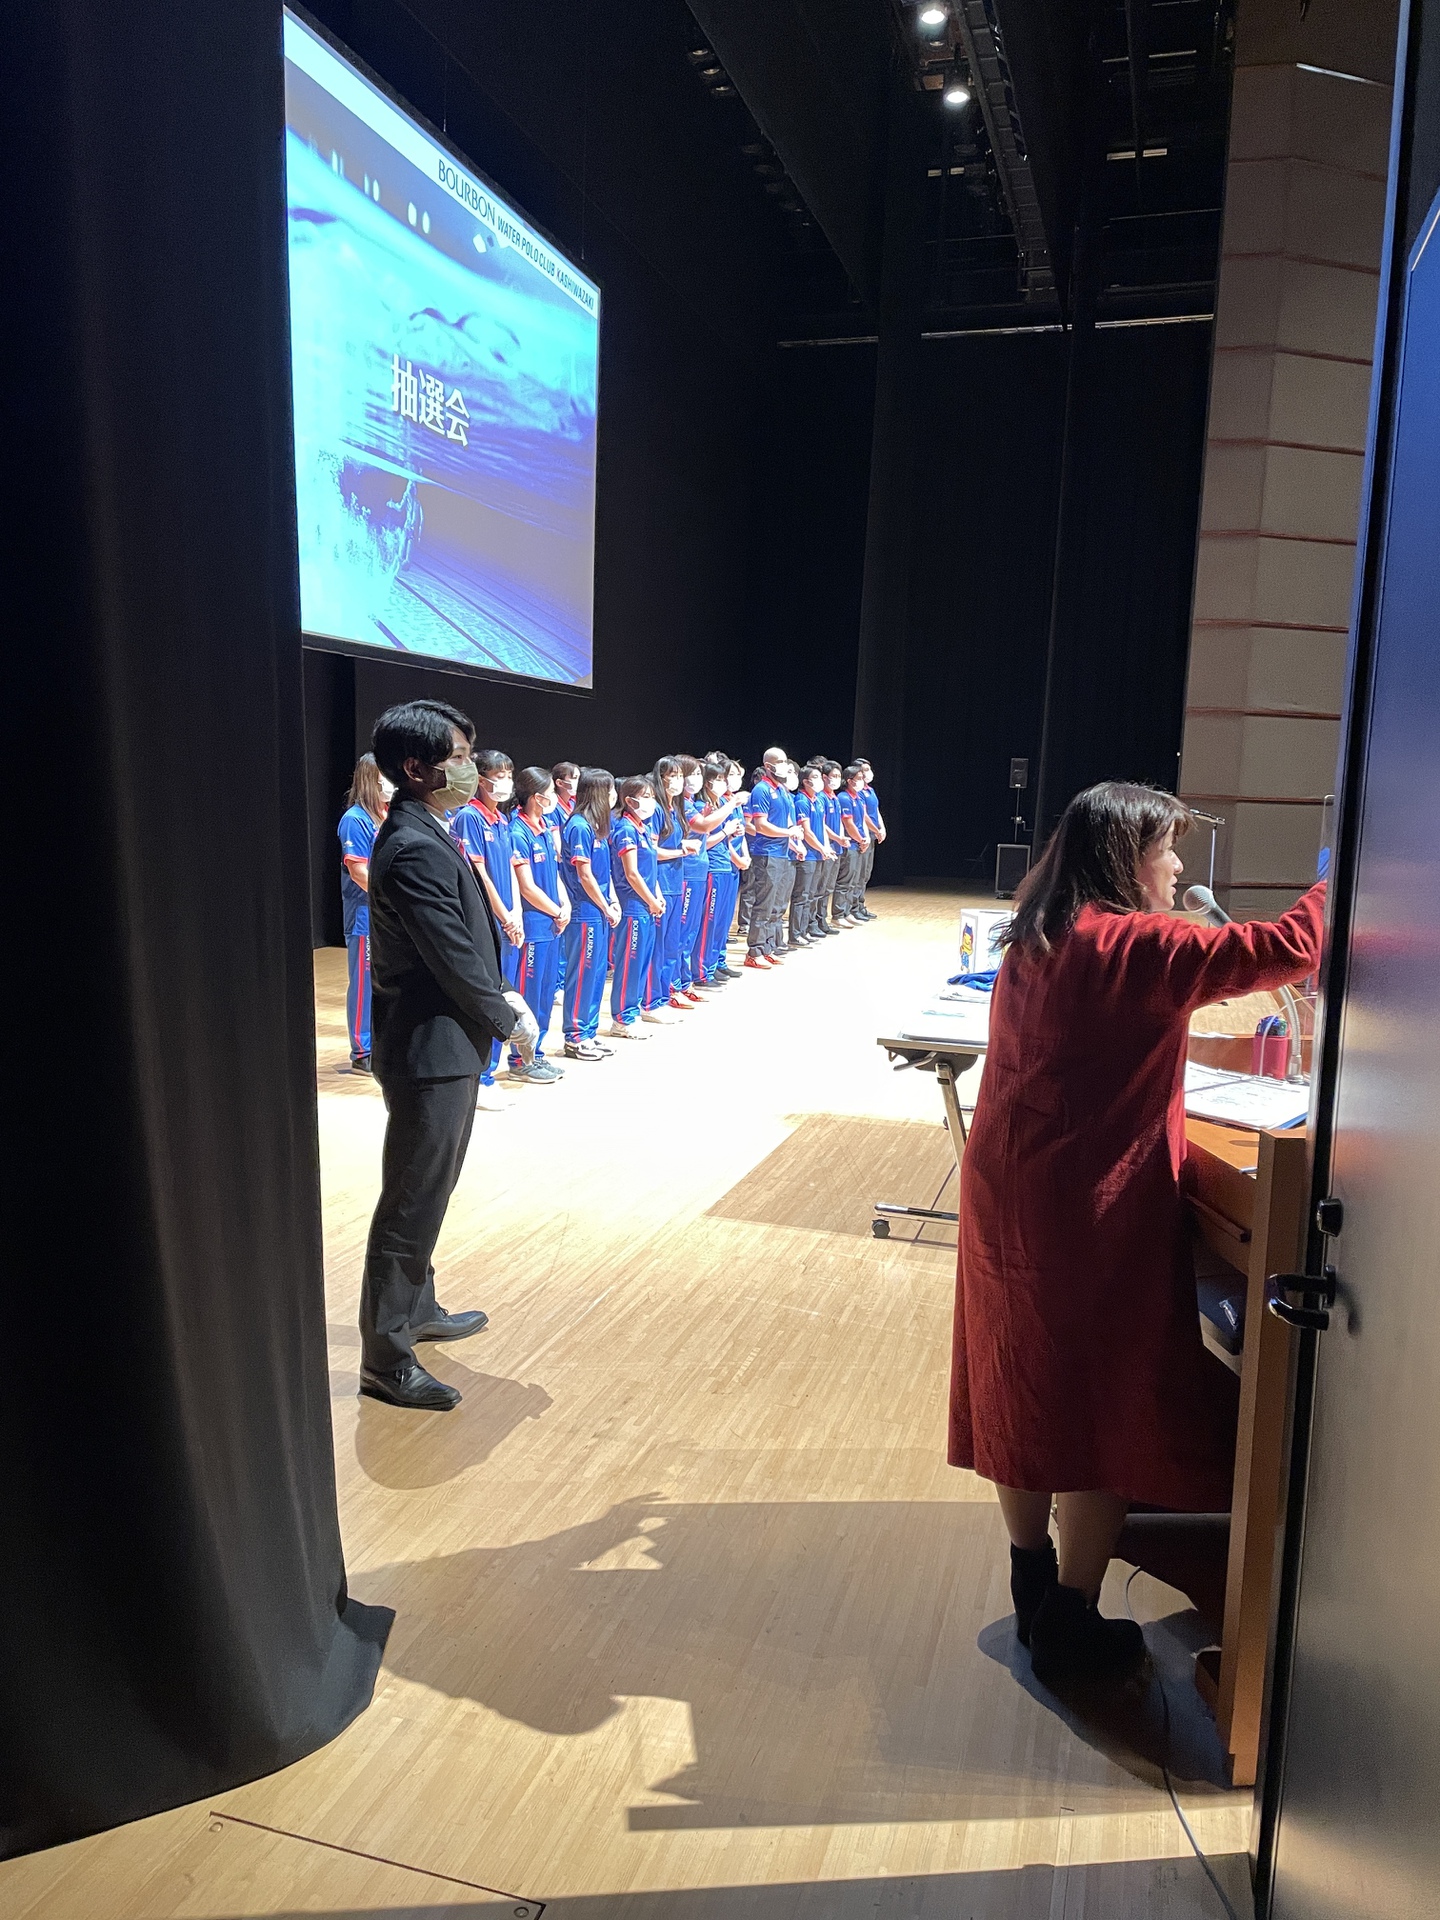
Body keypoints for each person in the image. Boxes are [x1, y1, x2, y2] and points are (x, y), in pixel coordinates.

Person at [949, 781, 1326, 1685]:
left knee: (1022, 1380)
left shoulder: (1037, 936)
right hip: (1090, 1205)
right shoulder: (1138, 947)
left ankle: (1032, 1575)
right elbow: (1288, 948)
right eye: (1168, 850)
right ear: (1128, 859)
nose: (1179, 866)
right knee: (1103, 1401)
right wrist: (1350, 867)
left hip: (1008, 1191)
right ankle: (1073, 1621)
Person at [359, 699, 540, 1412]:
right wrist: (506, 1016)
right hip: (428, 1049)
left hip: (446, 1045)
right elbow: (451, 956)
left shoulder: (428, 827)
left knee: (428, 1189)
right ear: (415, 767)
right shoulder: (412, 845)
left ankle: (418, 1307)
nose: (472, 768)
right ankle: (385, 1357)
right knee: (410, 1199)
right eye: (461, 756)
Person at [451, 749, 524, 1110]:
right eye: (499, 775)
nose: (506, 782)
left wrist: (517, 912)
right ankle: (482, 1077)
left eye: (509, 774)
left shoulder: (502, 820)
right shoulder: (470, 817)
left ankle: (493, 1069)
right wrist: (503, 915)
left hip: (508, 917)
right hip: (487, 919)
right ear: (481, 780)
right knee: (489, 995)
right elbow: (478, 873)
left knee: (508, 995)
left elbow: (509, 868)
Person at [509, 766, 571, 1084]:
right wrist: (556, 911)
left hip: (551, 924)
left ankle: (537, 1054)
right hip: (534, 925)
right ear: (536, 797)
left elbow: (555, 875)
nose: (554, 799)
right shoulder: (517, 831)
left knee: (546, 994)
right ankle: (521, 1059)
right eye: (550, 794)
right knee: (530, 995)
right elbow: (526, 887)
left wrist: (565, 905)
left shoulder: (544, 827)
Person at [560, 767, 621, 1060]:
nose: (614, 796)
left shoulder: (597, 827)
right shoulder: (579, 826)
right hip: (585, 912)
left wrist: (612, 901)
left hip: (599, 911)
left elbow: (604, 873)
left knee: (597, 974)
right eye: (610, 791)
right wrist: (605, 906)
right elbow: (584, 875)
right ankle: (574, 1037)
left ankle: (588, 1032)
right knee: (582, 974)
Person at [337, 753, 392, 1071]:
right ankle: (362, 1051)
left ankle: (383, 1043)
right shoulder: (356, 819)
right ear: (371, 779)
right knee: (363, 983)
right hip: (364, 915)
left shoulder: (386, 815)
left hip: (387, 915)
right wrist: (391, 895)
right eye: (386, 776)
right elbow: (359, 872)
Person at [609, 775, 665, 1037]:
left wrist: (657, 895)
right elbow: (632, 873)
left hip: (646, 906)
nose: (651, 802)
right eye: (646, 797)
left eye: (652, 796)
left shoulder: (643, 828)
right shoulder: (625, 829)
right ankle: (622, 1019)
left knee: (642, 961)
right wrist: (651, 900)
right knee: (630, 964)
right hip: (632, 905)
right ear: (629, 801)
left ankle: (633, 1010)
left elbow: (650, 867)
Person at [643, 756, 688, 1023]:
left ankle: (664, 994)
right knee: (657, 947)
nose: (679, 781)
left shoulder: (675, 808)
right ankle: (650, 1002)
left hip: (676, 882)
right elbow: (652, 851)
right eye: (673, 775)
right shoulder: (657, 810)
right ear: (661, 778)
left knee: (671, 945)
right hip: (661, 883)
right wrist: (680, 851)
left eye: (681, 775)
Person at [745, 754, 802, 967]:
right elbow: (761, 826)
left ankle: (768, 946)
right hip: (767, 854)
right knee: (764, 904)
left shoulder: (783, 791)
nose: (784, 765)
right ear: (768, 765)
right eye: (779, 762)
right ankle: (754, 951)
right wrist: (789, 833)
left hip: (783, 853)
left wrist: (794, 842)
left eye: (785, 761)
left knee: (776, 905)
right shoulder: (762, 789)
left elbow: (786, 822)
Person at [673, 755, 709, 1007]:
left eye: (699, 774)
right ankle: (673, 985)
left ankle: (685, 982)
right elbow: (704, 826)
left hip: (699, 872)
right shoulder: (681, 806)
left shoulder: (694, 803)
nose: (697, 779)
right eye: (692, 774)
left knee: (691, 933)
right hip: (685, 874)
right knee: (681, 933)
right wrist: (732, 805)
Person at [790, 763, 833, 947]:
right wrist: (821, 848)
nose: (819, 781)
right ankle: (795, 933)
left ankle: (805, 929)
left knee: (812, 894)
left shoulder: (819, 800)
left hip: (818, 854)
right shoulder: (801, 801)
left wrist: (826, 847)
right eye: (815, 777)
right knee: (802, 895)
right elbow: (807, 832)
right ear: (805, 781)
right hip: (807, 855)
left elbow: (822, 826)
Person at [833, 764, 871, 928]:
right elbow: (848, 824)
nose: (862, 781)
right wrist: (860, 839)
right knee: (845, 881)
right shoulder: (844, 798)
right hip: (850, 844)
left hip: (859, 843)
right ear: (849, 780)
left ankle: (848, 911)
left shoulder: (859, 798)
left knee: (855, 880)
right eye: (859, 778)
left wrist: (866, 838)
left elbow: (862, 820)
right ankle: (838, 914)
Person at [854, 759, 885, 921]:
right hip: (863, 835)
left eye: (868, 769)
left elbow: (876, 810)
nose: (868, 772)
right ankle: (853, 907)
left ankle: (860, 904)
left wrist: (882, 827)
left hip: (872, 835)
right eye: (864, 770)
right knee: (858, 874)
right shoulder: (858, 792)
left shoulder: (870, 790)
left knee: (866, 873)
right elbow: (864, 815)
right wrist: (875, 829)